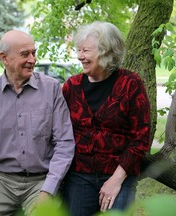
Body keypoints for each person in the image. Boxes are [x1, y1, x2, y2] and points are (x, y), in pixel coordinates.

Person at [0, 30, 75, 216]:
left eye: (34, 53)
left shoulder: (52, 89)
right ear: (4, 58)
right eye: (25, 54)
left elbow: (64, 144)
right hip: (2, 181)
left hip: (41, 181)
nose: (32, 59)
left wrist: (48, 189)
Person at [61, 21, 151, 215]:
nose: (80, 56)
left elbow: (141, 137)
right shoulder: (72, 87)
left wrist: (116, 179)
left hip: (120, 173)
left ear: (107, 51)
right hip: (79, 175)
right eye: (78, 50)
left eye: (85, 51)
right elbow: (58, 131)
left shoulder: (131, 84)